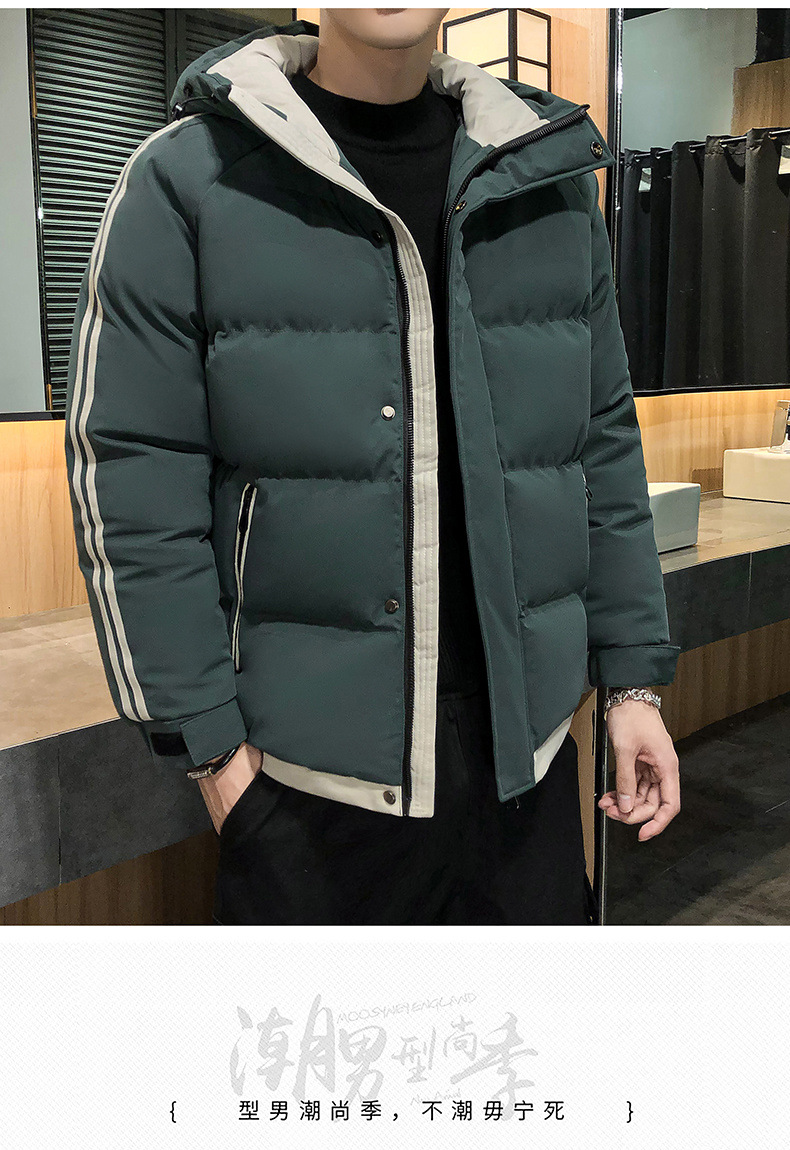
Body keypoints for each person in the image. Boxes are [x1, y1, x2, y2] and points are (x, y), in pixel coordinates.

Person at [64, 10, 681, 925]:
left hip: (529, 764)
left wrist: (631, 684)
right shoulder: (189, 177)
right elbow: (131, 476)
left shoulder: (543, 176)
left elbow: (600, 443)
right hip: (309, 791)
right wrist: (214, 756)